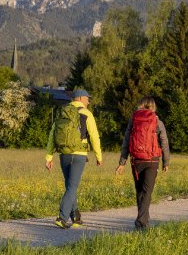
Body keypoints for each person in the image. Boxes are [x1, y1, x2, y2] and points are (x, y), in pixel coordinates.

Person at [45, 89, 103, 229]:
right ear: (81, 98)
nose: (88, 101)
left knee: (70, 187)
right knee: (72, 187)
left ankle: (76, 219)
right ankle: (62, 218)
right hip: (79, 155)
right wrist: (98, 155)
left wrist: (49, 156)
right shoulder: (86, 113)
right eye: (87, 99)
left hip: (64, 154)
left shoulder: (63, 112)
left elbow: (53, 134)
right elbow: (94, 136)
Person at [115, 96, 170, 230]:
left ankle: (143, 219)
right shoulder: (157, 121)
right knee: (147, 191)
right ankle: (141, 221)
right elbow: (164, 142)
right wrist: (166, 162)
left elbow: (126, 141)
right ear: (153, 106)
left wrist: (122, 162)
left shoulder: (133, 120)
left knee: (140, 191)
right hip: (152, 161)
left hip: (136, 160)